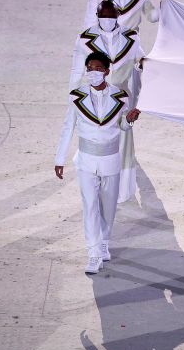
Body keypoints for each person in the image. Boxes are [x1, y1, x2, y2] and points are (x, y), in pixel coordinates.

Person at [55, 52, 141, 274]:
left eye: (96, 68)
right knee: (90, 206)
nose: (92, 72)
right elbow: (68, 127)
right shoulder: (76, 97)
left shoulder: (120, 97)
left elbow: (122, 125)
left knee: (109, 207)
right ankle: (93, 254)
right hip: (86, 160)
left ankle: (104, 242)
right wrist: (60, 159)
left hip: (111, 159)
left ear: (106, 71)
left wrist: (129, 121)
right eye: (89, 68)